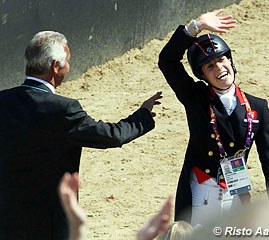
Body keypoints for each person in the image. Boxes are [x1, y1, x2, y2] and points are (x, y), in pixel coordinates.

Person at [0, 30, 162, 239]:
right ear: (55, 66)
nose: (69, 67)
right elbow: (110, 136)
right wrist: (142, 116)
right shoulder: (63, 109)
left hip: (7, 215)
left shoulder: (3, 100)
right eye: (67, 61)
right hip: (49, 221)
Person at [158, 9, 269, 226]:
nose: (219, 68)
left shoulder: (258, 107)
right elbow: (167, 61)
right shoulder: (195, 98)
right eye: (210, 66)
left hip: (237, 195)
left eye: (222, 59)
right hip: (201, 197)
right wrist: (196, 26)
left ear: (231, 60)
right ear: (203, 75)